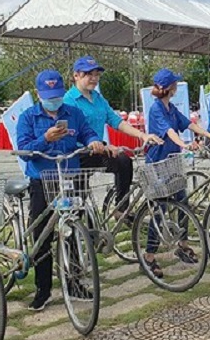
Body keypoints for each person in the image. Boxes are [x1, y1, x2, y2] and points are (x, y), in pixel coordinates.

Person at [17, 69, 106, 311]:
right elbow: (24, 149)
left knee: (75, 232)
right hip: (42, 180)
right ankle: (43, 289)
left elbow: (87, 132)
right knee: (42, 234)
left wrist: (93, 141)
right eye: (48, 95)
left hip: (70, 176)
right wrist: (45, 138)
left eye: (56, 94)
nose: (54, 100)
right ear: (38, 94)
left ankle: (74, 282)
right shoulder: (28, 117)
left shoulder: (73, 113)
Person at [63, 56, 162, 224]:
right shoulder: (69, 100)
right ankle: (75, 241)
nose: (94, 78)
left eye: (96, 75)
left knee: (123, 161)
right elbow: (73, 131)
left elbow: (116, 121)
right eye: (89, 74)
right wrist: (100, 144)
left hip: (97, 152)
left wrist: (142, 135)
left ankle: (121, 209)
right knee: (78, 202)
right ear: (76, 75)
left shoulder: (98, 98)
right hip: (77, 154)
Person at [143, 69, 210, 277]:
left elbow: (188, 124)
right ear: (169, 88)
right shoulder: (157, 109)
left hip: (172, 162)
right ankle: (149, 256)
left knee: (183, 203)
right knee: (160, 209)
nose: (177, 87)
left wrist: (208, 135)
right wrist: (184, 144)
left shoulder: (171, 108)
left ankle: (183, 245)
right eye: (174, 84)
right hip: (158, 163)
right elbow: (169, 132)